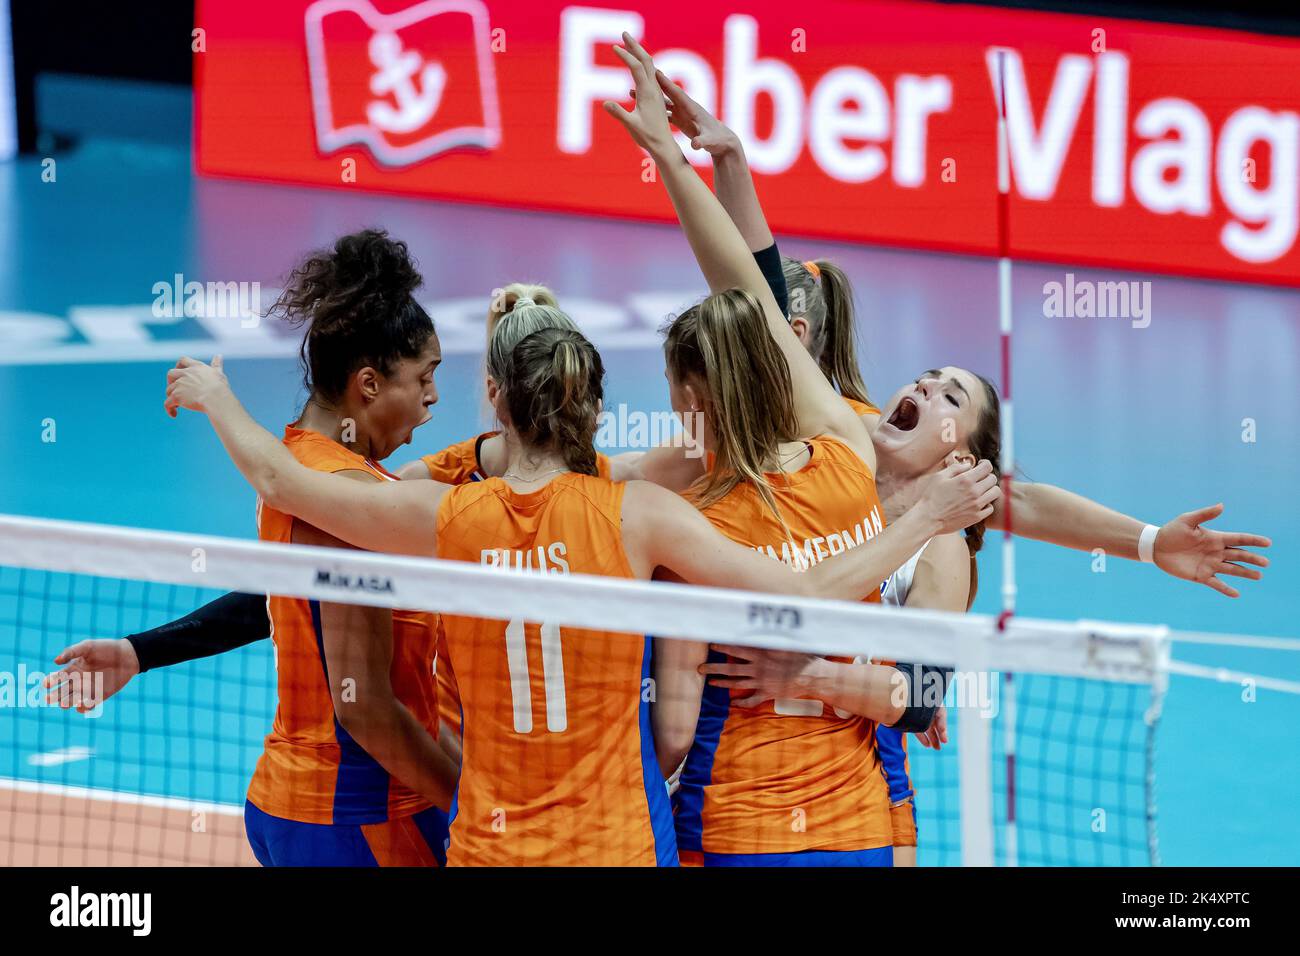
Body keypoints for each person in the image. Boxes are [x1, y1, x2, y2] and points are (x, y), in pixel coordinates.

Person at [163, 308, 997, 864]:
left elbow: (283, 483)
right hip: (620, 842)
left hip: (490, 844)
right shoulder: (644, 517)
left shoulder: (448, 518)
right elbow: (804, 598)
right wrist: (925, 519)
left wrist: (216, 399)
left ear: (496, 402)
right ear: (595, 411)